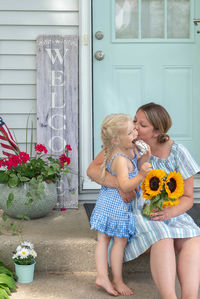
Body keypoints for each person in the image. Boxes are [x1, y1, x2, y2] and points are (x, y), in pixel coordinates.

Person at [87, 103, 200, 299]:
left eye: (142, 124)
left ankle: (190, 296)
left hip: (170, 210)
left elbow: (188, 198)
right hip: (139, 212)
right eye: (135, 120)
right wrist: (120, 184)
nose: (135, 126)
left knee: (193, 237)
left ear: (157, 131)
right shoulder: (126, 145)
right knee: (162, 235)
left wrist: (171, 212)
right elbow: (93, 170)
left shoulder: (178, 152)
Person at [90, 113, 151, 296]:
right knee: (119, 242)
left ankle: (102, 276)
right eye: (131, 132)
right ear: (116, 139)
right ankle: (116, 279)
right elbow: (125, 185)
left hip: (106, 202)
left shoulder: (126, 150)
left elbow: (135, 163)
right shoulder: (120, 160)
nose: (136, 134)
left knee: (103, 240)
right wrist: (141, 175)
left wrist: (144, 157)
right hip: (117, 206)